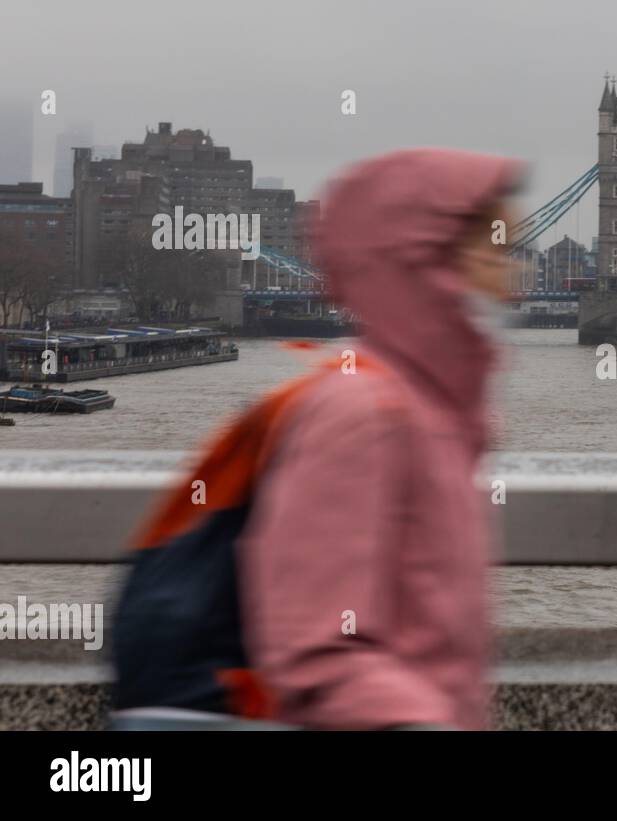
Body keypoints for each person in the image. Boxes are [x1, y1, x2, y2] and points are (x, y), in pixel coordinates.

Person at [112, 148, 522, 730]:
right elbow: (317, 652)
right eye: (496, 248)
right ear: (423, 260)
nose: (517, 274)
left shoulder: (437, 414)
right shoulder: (365, 414)